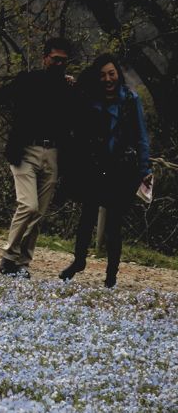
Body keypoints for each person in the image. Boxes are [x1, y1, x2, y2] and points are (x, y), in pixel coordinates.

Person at [0, 37, 83, 278]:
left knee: (38, 213)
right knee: (28, 205)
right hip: (25, 151)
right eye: (55, 59)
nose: (59, 64)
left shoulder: (69, 89)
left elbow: (79, 117)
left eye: (63, 60)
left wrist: (76, 88)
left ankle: (22, 263)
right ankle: (9, 256)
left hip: (53, 154)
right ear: (45, 58)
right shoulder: (28, 80)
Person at [58, 54, 152, 288]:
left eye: (111, 73)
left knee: (114, 225)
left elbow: (141, 136)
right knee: (87, 215)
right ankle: (79, 261)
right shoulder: (90, 98)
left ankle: (111, 275)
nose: (108, 79)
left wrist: (145, 168)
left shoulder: (131, 99)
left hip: (121, 169)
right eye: (103, 75)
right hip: (94, 166)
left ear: (118, 74)